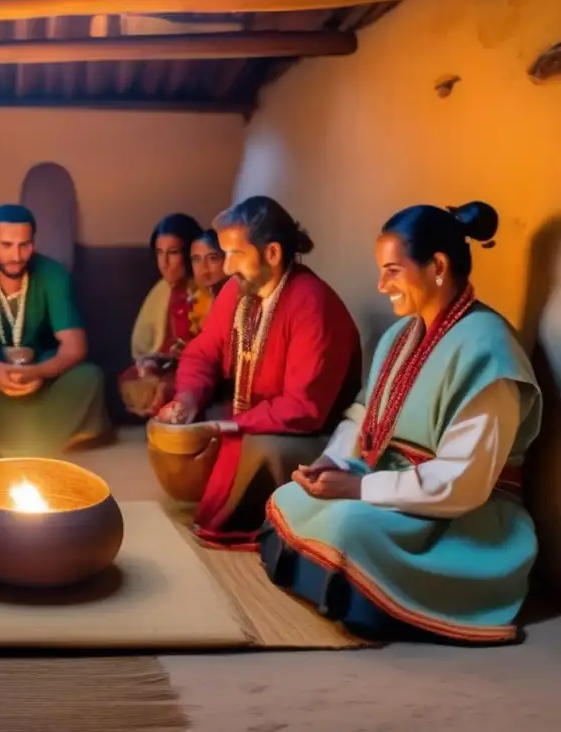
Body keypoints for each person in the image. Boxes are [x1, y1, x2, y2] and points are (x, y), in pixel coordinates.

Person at [261, 201, 542, 644]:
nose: (381, 284)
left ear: (438, 267)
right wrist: (333, 464)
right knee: (292, 496)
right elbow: (362, 414)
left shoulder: (490, 349)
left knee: (346, 527)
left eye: (392, 270)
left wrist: (356, 489)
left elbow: (464, 481)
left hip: (464, 516)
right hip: (389, 481)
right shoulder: (399, 336)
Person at [156, 196, 362, 546]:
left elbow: (303, 409)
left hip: (308, 437)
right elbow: (202, 352)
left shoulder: (312, 304)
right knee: (170, 424)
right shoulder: (237, 292)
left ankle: (265, 522)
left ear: (272, 254)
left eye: (236, 255)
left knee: (261, 447)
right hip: (254, 418)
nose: (228, 266)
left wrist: (228, 425)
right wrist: (188, 400)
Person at [0, 204, 110, 458]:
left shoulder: (53, 273)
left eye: (24, 245)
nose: (16, 255)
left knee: (89, 377)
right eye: (6, 245)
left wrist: (38, 371)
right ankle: (38, 436)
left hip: (41, 372)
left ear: (33, 243)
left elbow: (75, 346)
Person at [120, 213, 212, 419]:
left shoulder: (206, 289)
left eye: (173, 253)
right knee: (132, 380)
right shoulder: (161, 291)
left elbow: (211, 346)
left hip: (194, 366)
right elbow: (146, 346)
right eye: (159, 253)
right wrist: (150, 364)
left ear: (189, 253)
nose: (164, 262)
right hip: (164, 363)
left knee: (171, 386)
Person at [190, 229, 228, 296]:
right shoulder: (194, 300)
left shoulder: (240, 302)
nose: (205, 270)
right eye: (196, 260)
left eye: (213, 258)